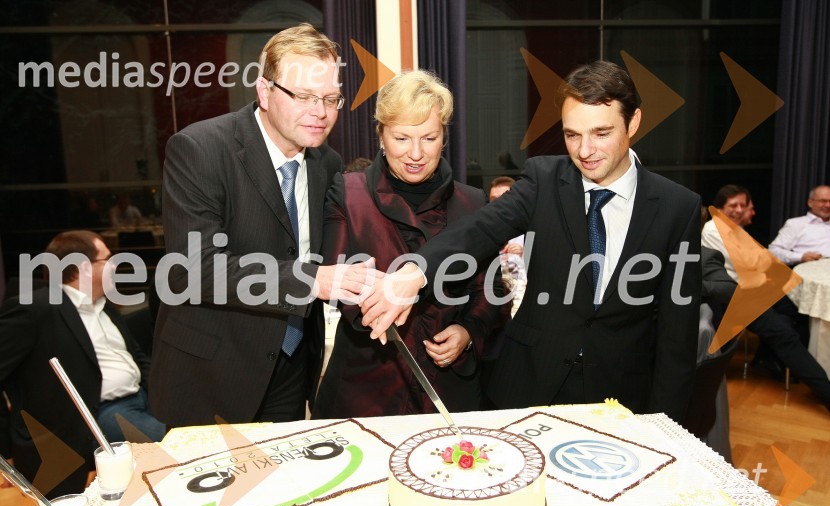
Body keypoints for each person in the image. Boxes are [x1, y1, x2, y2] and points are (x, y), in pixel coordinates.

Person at [361, 60, 702, 423]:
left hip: (620, 397)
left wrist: (667, 428)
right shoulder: (544, 179)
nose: (585, 150)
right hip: (529, 386)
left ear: (633, 122)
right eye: (572, 135)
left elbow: (676, 340)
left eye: (601, 133)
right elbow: (480, 229)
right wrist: (415, 272)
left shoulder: (677, 207)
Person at [150, 23, 381, 427]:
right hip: (213, 373)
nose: (321, 112)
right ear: (264, 91)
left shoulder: (324, 162)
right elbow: (194, 269)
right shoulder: (201, 149)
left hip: (291, 366)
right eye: (305, 97)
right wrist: (313, 280)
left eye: (330, 99)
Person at [312, 71, 504, 418]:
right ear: (381, 136)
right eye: (402, 138)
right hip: (366, 389)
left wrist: (467, 330)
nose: (415, 153)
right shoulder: (348, 193)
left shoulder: (472, 201)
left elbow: (490, 290)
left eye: (429, 138)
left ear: (444, 137)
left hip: (448, 390)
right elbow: (341, 283)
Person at [0, 230, 165, 497]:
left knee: (191, 427)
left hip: (144, 400)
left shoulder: (105, 307)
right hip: (102, 413)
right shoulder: (37, 308)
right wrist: (6, 445)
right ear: (83, 267)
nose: (114, 265)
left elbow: (136, 357)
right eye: (107, 258)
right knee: (175, 444)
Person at [701, 186, 830, 412]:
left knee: (798, 311)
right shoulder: (713, 229)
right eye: (733, 205)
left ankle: (768, 359)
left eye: (743, 205)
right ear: (720, 208)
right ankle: (826, 392)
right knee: (784, 334)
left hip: (758, 288)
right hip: (737, 297)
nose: (739, 210)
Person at [769, 184, 830, 265]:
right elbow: (773, 251)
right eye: (823, 201)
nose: (828, 205)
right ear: (810, 202)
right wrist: (800, 257)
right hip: (809, 273)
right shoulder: (795, 224)